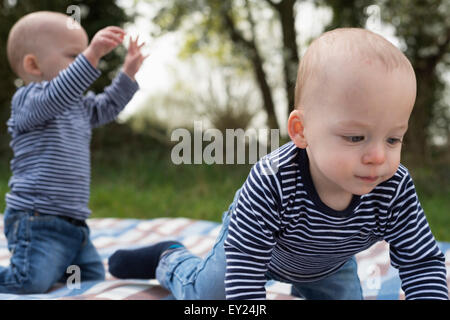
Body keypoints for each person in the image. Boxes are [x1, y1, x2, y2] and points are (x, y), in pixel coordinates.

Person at [108, 28, 448, 300]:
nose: (378, 156)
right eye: (356, 137)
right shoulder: (273, 180)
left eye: (393, 139)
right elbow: (243, 266)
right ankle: (170, 259)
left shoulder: (393, 187)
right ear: (302, 131)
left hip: (327, 266)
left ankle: (304, 283)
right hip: (255, 251)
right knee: (208, 294)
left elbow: (422, 262)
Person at [1, 11, 146, 294]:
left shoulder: (78, 106)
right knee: (28, 281)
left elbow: (107, 106)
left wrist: (127, 74)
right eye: (74, 56)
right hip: (36, 220)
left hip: (75, 227)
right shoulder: (28, 101)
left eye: (85, 56)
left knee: (91, 282)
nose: (86, 62)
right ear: (33, 65)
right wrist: (92, 55)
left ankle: (56, 264)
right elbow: (58, 94)